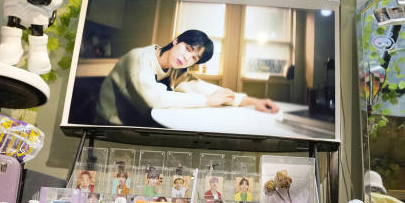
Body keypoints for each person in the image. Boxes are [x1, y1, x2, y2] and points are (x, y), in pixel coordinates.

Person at [94, 29, 279, 127]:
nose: (186, 58)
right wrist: (208, 101)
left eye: (193, 58)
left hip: (140, 121)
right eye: (187, 49)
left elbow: (200, 87)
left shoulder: (176, 68)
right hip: (110, 124)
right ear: (176, 41)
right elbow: (156, 98)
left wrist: (253, 101)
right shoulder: (140, 58)